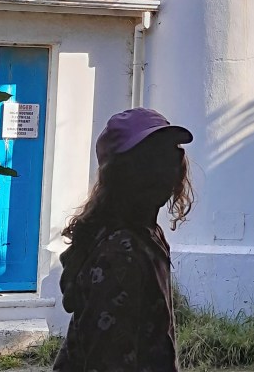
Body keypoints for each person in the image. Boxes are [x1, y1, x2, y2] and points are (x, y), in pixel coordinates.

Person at [54, 108, 194, 372]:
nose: (165, 168)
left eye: (170, 153)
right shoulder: (119, 254)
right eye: (147, 160)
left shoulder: (147, 234)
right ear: (120, 175)